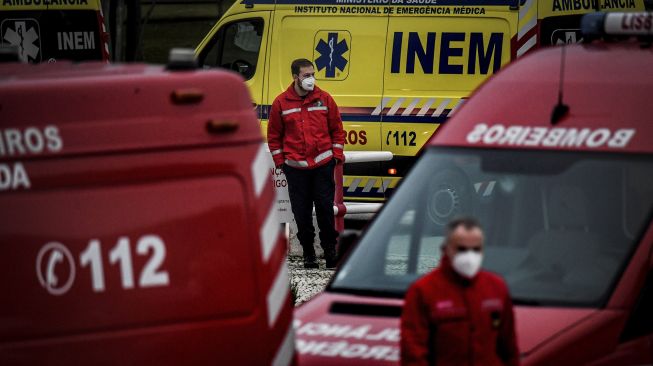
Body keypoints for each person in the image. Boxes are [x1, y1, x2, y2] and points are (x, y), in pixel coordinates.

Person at [401, 217, 519, 366]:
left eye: (476, 249)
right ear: (446, 249)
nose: (470, 256)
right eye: (462, 249)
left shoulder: (496, 287)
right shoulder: (423, 291)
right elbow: (413, 354)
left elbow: (509, 348)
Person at [267, 58, 345, 269]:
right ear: (295, 77)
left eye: (312, 74)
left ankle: (330, 253)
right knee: (301, 214)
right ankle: (309, 254)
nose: (311, 79)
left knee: (325, 212)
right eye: (306, 75)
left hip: (322, 166)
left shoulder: (324, 99)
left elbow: (337, 129)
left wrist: (336, 155)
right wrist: (281, 162)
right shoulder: (281, 103)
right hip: (296, 170)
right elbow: (274, 137)